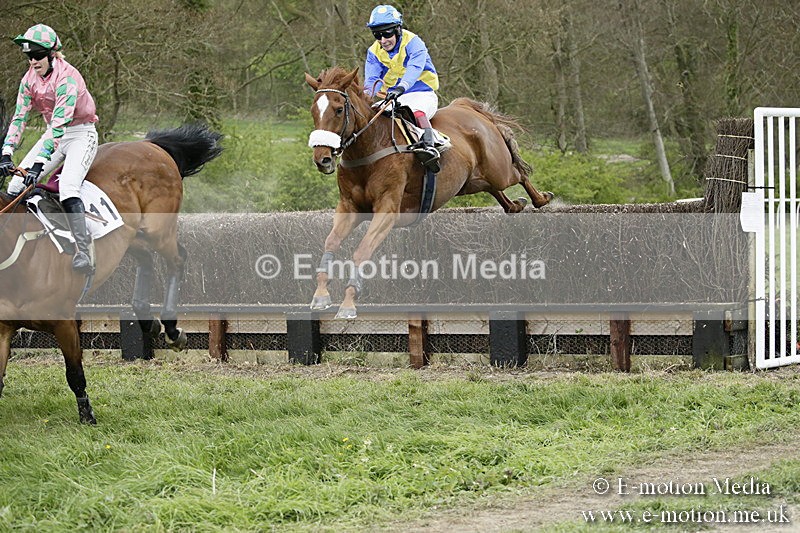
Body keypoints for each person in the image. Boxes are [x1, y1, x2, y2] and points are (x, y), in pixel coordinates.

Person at [0, 24, 99, 275]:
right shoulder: (28, 80)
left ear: (52, 54)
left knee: (68, 187)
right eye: (28, 56)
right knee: (14, 187)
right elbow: (19, 118)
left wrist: (38, 164)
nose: (32, 61)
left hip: (79, 134)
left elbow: (60, 125)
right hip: (52, 135)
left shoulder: (67, 78)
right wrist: (7, 152)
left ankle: (83, 251)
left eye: (37, 55)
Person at [363, 4, 441, 173]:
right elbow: (371, 79)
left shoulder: (414, 43)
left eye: (387, 33)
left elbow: (414, 68)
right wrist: (366, 97)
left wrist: (401, 87)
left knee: (414, 110)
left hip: (422, 94)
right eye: (377, 35)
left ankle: (429, 147)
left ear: (398, 29)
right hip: (392, 97)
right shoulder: (373, 52)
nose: (383, 40)